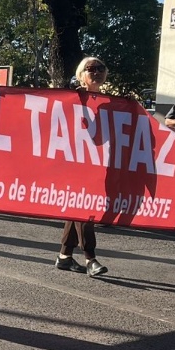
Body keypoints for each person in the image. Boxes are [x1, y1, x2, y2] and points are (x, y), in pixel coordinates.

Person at [55, 57, 110, 277]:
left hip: (98, 163)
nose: (96, 72)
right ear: (81, 74)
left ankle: (64, 256)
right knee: (84, 208)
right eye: (91, 69)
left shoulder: (109, 102)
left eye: (100, 68)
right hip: (75, 162)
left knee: (77, 210)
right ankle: (91, 258)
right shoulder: (74, 97)